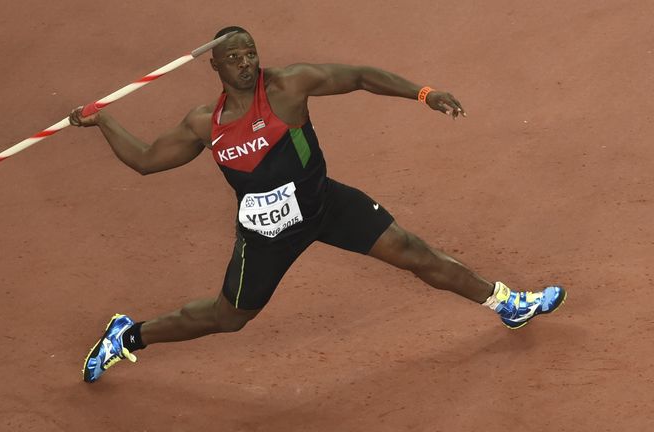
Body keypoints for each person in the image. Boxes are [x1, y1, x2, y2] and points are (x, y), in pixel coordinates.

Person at [71, 26, 566, 383]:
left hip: (324, 204)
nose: (246, 62)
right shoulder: (205, 124)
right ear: (216, 66)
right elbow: (145, 161)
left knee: (414, 251)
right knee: (229, 318)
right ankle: (128, 336)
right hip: (265, 236)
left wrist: (423, 93)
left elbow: (359, 76)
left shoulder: (288, 86)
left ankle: (507, 303)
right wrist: (104, 122)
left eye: (251, 53)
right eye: (235, 58)